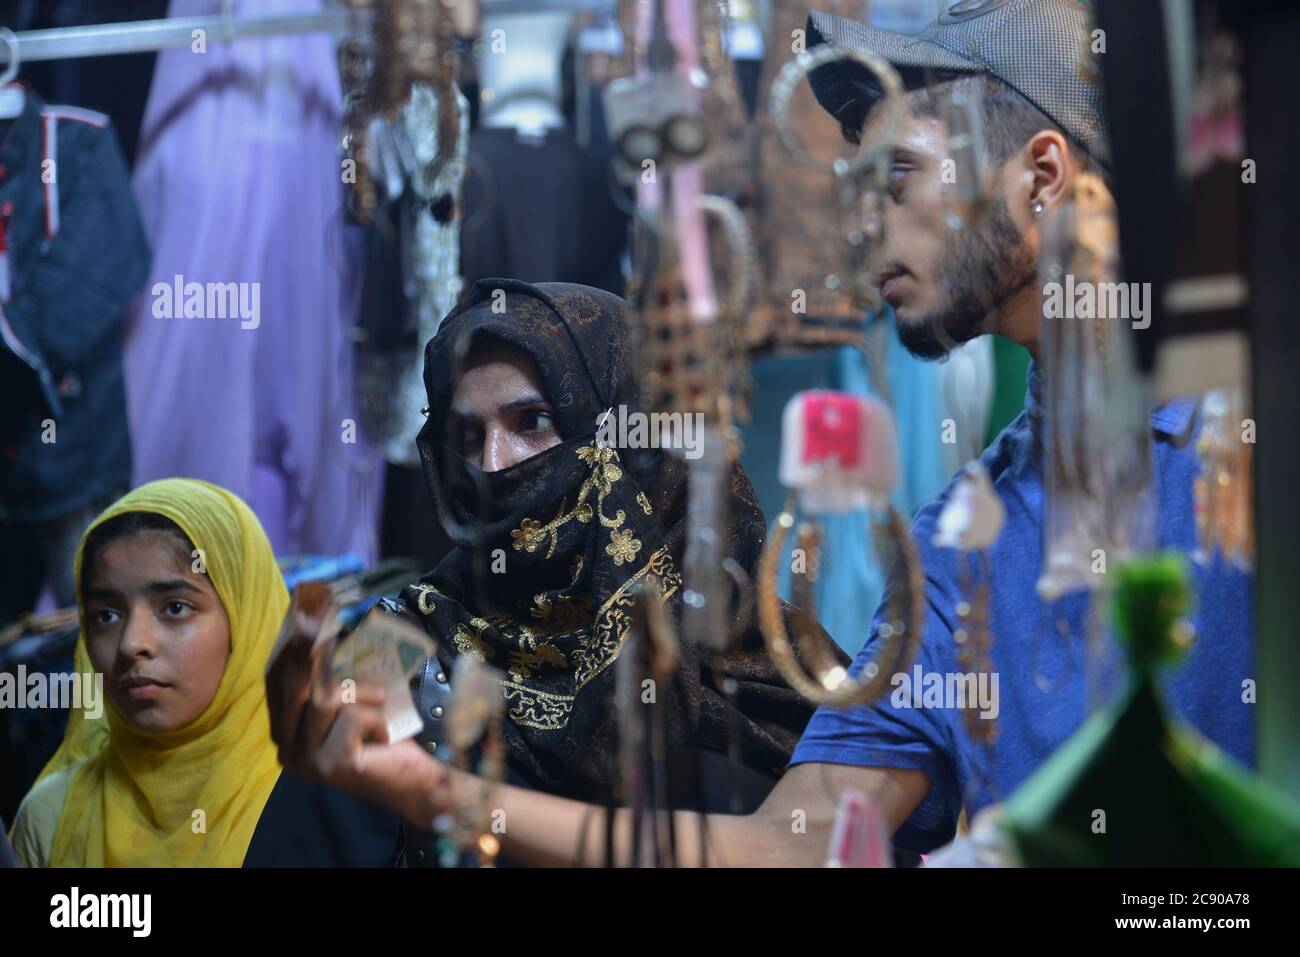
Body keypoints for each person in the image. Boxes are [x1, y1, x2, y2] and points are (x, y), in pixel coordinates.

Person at [269, 1, 1253, 867]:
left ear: (1041, 179)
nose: (860, 234)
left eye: (897, 178)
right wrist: (432, 791)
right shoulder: (963, 537)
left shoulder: (1248, 454)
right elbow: (801, 838)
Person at [267, 279, 833, 860]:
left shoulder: (767, 659)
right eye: (467, 435)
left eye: (532, 422)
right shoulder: (395, 643)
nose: (492, 464)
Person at [10, 479, 399, 867]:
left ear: (246, 619)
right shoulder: (52, 817)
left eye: (175, 608)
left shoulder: (330, 797)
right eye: (106, 615)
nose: (132, 644)